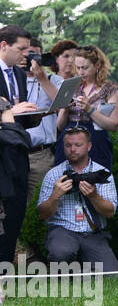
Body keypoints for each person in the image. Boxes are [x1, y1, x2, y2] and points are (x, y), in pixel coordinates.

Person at [38, 125, 118, 272]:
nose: (72, 149)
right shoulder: (53, 174)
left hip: (93, 233)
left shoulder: (102, 173)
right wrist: (55, 196)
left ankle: (83, 270)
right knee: (61, 252)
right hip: (63, 230)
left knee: (111, 276)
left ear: (89, 146)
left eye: (78, 145)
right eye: (68, 145)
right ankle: (63, 274)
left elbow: (110, 212)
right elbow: (42, 214)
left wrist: (94, 196)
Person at [0, 25, 35, 266]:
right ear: (3, 45)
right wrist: (10, 111)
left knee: (15, 215)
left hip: (18, 154)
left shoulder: (21, 75)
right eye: (21, 49)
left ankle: (4, 273)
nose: (26, 55)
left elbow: (18, 118)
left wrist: (38, 114)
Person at [55, 45, 118, 169]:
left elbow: (114, 126)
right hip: (69, 141)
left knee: (95, 184)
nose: (80, 72)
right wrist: (65, 109)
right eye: (78, 67)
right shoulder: (70, 86)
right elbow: (59, 126)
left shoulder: (110, 90)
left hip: (96, 142)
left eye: (85, 67)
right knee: (65, 183)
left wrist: (89, 110)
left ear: (97, 65)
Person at [22, 39, 62, 205]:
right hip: (14, 153)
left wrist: (42, 79)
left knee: (41, 204)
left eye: (37, 55)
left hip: (41, 155)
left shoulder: (54, 79)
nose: (34, 59)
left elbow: (62, 106)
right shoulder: (11, 80)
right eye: (29, 54)